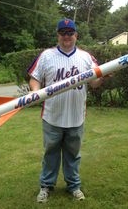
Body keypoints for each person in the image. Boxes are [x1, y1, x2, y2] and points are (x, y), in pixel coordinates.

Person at [27, 18, 104, 203]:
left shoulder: (86, 57)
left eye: (70, 33)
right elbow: (34, 78)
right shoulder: (47, 55)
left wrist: (103, 77)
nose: (66, 37)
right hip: (52, 117)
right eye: (63, 33)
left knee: (73, 155)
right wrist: (35, 93)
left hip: (76, 117)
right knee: (50, 154)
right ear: (58, 35)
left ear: (76, 35)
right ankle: (46, 186)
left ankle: (74, 186)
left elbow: (94, 84)